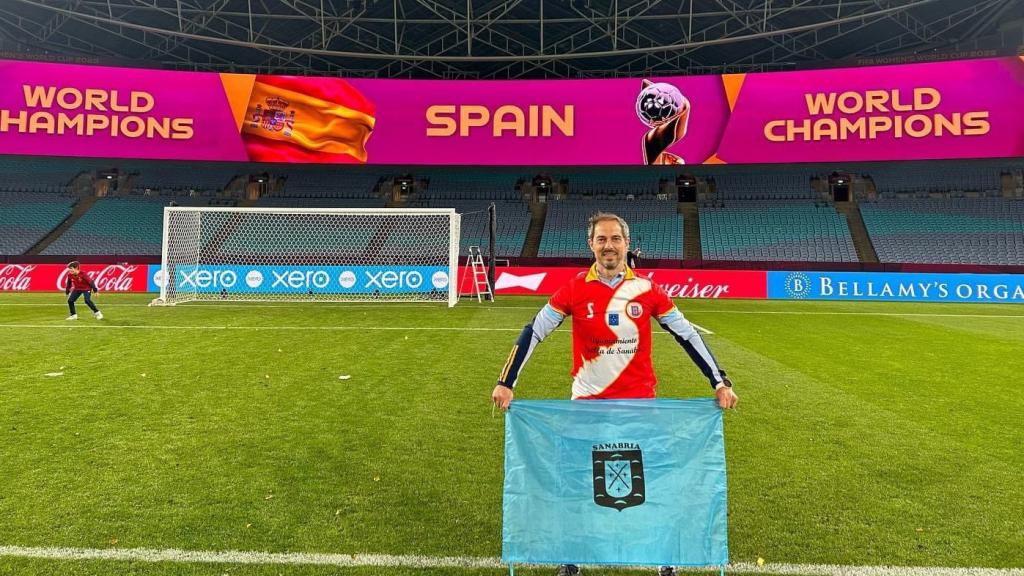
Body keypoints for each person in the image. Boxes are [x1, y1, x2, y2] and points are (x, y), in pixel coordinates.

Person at [491, 213, 737, 576]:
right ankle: (571, 557)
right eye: (601, 239)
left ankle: (662, 556)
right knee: (576, 480)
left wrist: (719, 381)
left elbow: (686, 334)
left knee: (648, 480)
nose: (609, 245)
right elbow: (535, 330)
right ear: (590, 244)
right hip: (586, 407)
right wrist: (506, 380)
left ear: (626, 243)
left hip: (640, 406)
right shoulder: (573, 288)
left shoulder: (647, 290)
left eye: (615, 239)